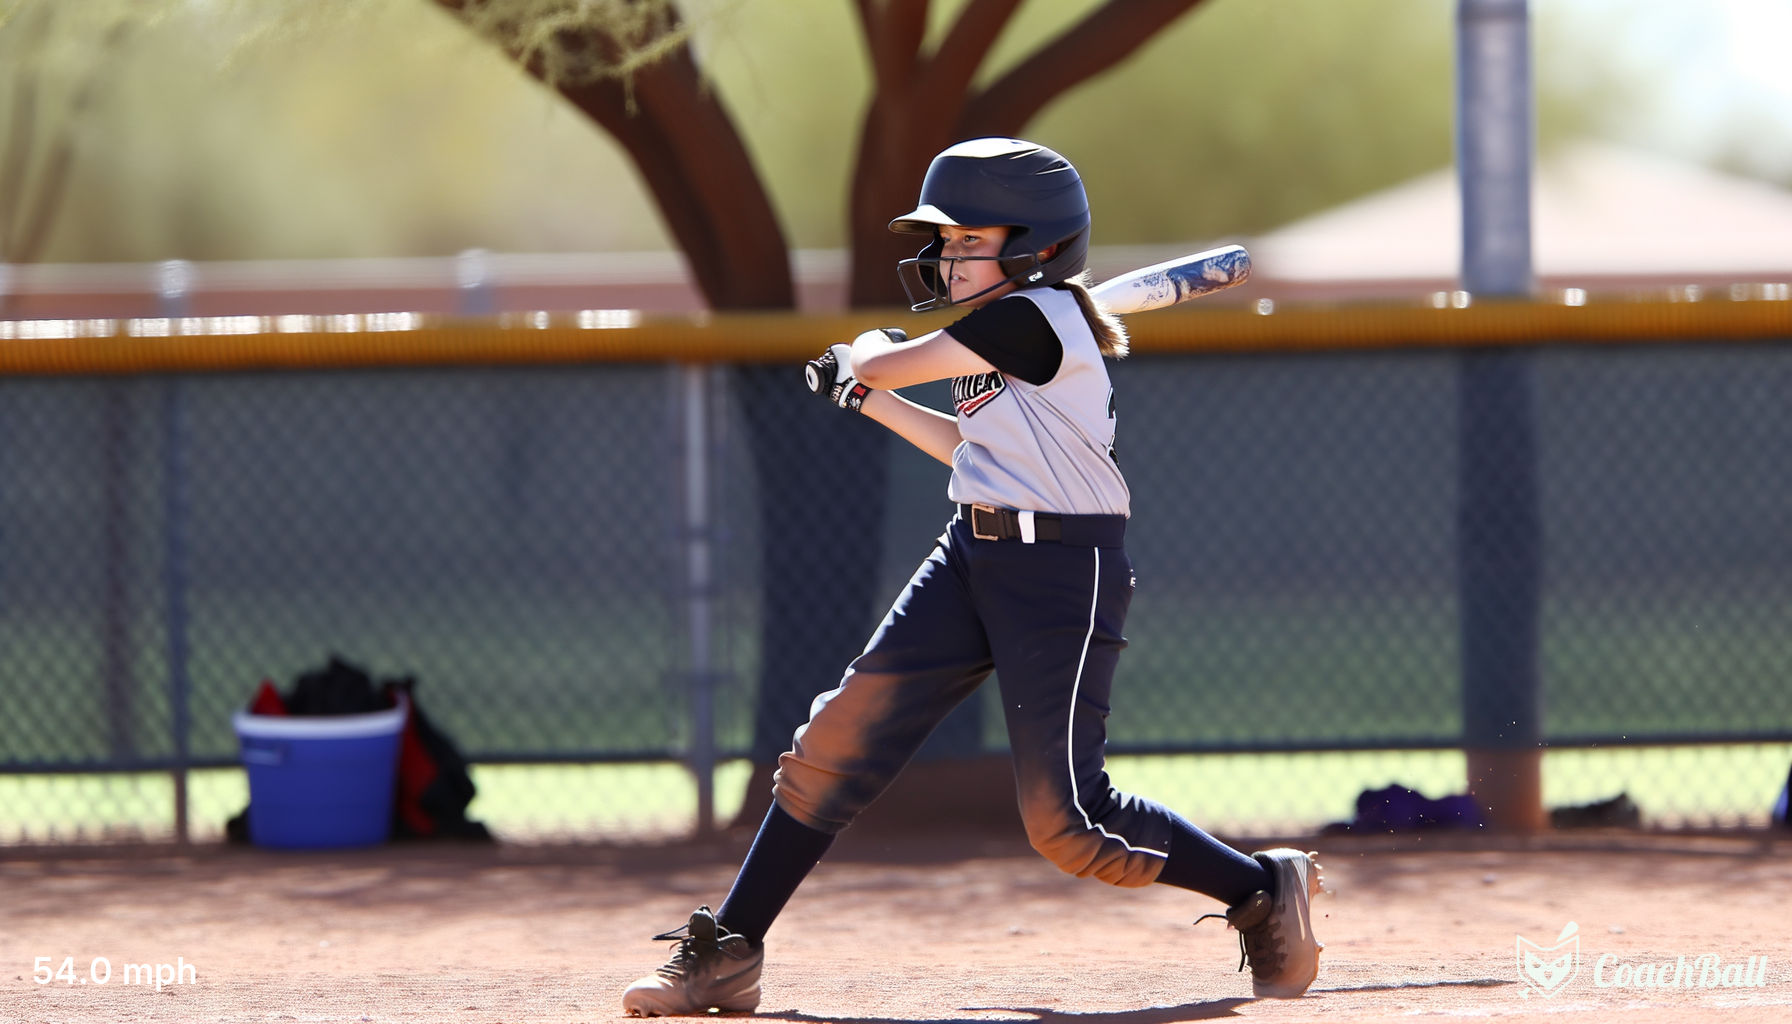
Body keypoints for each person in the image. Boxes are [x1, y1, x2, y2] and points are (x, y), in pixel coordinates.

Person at [621, 138, 1324, 1016]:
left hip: (1063, 571)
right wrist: (868, 399)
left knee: (1069, 824)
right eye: (945, 241)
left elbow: (885, 357)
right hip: (972, 554)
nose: (947, 257)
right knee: (834, 742)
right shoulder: (1007, 328)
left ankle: (1259, 887)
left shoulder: (1030, 320)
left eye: (968, 240)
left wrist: (868, 358)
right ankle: (731, 945)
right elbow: (971, 450)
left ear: (1037, 247)